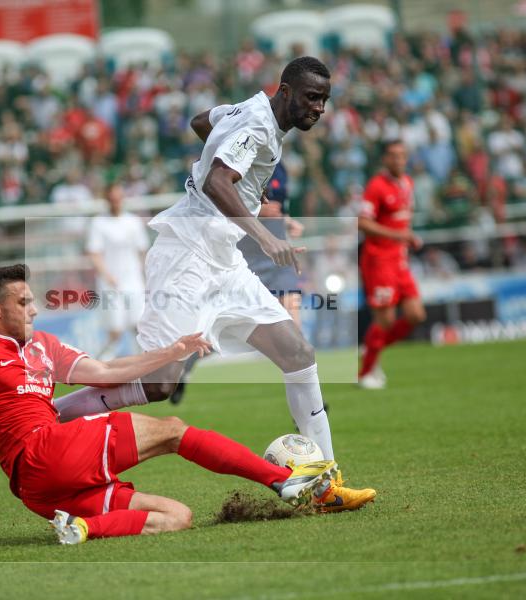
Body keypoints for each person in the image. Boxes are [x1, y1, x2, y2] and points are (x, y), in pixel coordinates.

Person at [0, 265, 375, 546]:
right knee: (175, 430)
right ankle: (283, 480)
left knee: (176, 516)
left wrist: (173, 351)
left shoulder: (43, 348)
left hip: (39, 490)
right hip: (44, 451)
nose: (34, 309)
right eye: (24, 302)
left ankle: (80, 528)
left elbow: (109, 372)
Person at [53, 57, 338, 460]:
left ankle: (326, 474)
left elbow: (202, 122)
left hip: (224, 259)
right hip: (188, 253)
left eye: (325, 100)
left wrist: (249, 184)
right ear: (285, 92)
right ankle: (47, 416)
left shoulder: (249, 112)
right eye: (312, 97)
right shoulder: (256, 122)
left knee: (298, 354)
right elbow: (216, 180)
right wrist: (265, 237)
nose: (319, 108)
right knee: (159, 384)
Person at [169, 162, 304, 404]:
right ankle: (182, 369)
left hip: (277, 256)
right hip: (243, 256)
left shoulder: (279, 163)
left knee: (294, 334)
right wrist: (261, 213)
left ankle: (309, 405)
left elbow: (277, 206)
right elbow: (218, 201)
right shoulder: (236, 160)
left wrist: (286, 219)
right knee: (215, 332)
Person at [357, 140, 427, 389]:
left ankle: (371, 351)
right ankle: (364, 373)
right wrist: (398, 236)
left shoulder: (407, 183)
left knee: (416, 315)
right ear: (385, 159)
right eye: (394, 156)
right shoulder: (376, 186)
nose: (399, 160)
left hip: (400, 261)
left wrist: (408, 238)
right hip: (379, 261)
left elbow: (402, 223)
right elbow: (363, 223)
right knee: (384, 319)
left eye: (402, 156)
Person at [85, 182, 148, 360]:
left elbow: (141, 251)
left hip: (133, 281)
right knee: (116, 330)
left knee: (139, 327)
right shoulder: (99, 223)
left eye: (119, 198)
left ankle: (140, 366)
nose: (116, 202)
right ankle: (100, 364)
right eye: (112, 199)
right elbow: (94, 253)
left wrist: (144, 275)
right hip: (110, 283)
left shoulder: (133, 222)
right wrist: (107, 275)